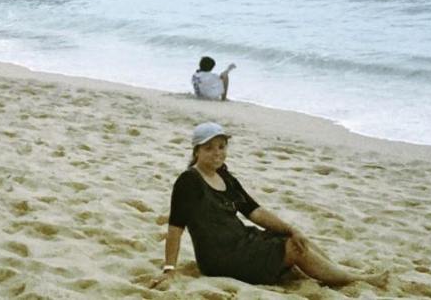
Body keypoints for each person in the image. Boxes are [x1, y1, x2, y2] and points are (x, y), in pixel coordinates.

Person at [150, 122, 387, 289]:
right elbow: (175, 228)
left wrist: (291, 228)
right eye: (208, 148)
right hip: (221, 257)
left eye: (221, 146)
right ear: (196, 151)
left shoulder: (225, 176)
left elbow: (255, 211)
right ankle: (358, 280)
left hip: (243, 242)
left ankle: (342, 272)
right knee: (293, 249)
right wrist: (169, 269)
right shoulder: (189, 181)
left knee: (296, 239)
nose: (217, 153)